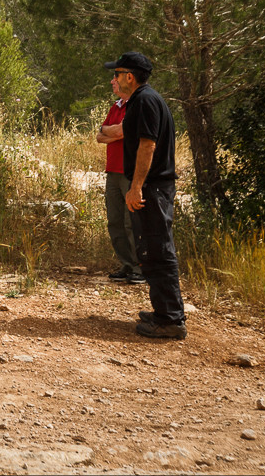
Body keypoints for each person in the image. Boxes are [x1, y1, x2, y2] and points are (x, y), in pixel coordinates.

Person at [105, 51, 186, 340]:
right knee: (152, 250)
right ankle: (164, 312)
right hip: (151, 188)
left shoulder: (145, 101)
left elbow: (147, 145)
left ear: (130, 76)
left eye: (117, 74)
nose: (113, 78)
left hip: (152, 188)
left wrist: (137, 186)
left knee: (158, 251)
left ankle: (170, 320)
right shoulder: (143, 100)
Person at [96, 73, 143, 284]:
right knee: (114, 220)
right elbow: (99, 136)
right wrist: (111, 132)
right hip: (112, 171)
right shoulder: (115, 107)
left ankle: (139, 268)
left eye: (115, 78)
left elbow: (125, 131)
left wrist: (112, 132)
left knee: (131, 221)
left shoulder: (136, 104)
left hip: (129, 171)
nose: (111, 81)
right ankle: (125, 264)